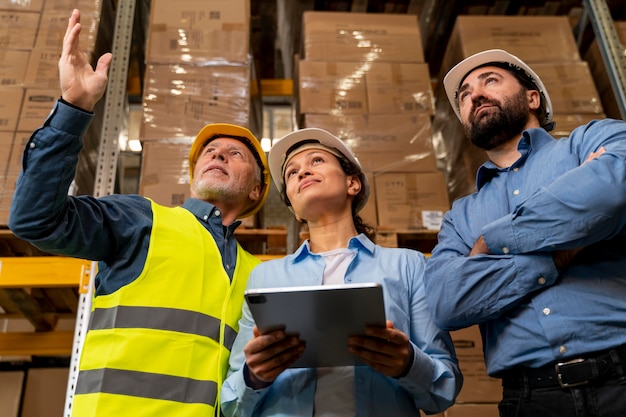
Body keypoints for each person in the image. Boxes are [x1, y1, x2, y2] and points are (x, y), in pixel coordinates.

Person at [8, 9, 271, 417]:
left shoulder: (259, 276)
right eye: (209, 152)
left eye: (235, 153)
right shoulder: (143, 219)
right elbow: (35, 220)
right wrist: (73, 109)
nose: (218, 152)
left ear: (256, 189)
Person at [424, 48, 626, 417]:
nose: (475, 95)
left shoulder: (590, 141)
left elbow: (613, 189)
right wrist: (561, 250)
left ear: (533, 98)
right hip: (530, 399)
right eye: (465, 95)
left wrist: (489, 243)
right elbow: (445, 301)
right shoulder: (460, 216)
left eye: (490, 81)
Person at [220, 127, 462, 416]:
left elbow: (444, 389)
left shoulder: (408, 266)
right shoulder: (265, 277)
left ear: (352, 184)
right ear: (295, 211)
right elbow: (231, 404)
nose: (302, 172)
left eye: (317, 161)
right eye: (291, 173)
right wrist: (253, 376)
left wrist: (408, 364)